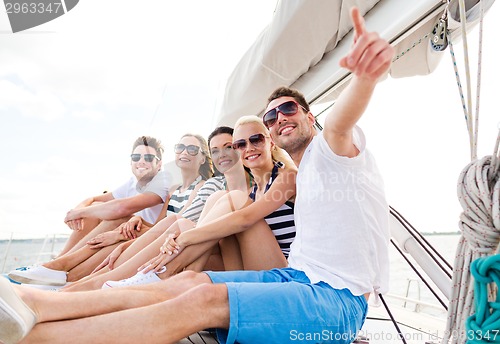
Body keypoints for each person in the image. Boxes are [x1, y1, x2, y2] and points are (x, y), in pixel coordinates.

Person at [0, 7, 392, 344]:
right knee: (187, 285)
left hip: (338, 305)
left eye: (288, 110)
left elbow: (340, 123)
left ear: (309, 116)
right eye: (271, 117)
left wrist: (366, 77)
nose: (279, 120)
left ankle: (33, 337)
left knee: (198, 301)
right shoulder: (298, 171)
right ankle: (37, 302)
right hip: (295, 279)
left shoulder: (333, 151)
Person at [64, 121, 296, 291]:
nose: (249, 148)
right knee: (188, 220)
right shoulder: (254, 188)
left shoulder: (287, 176)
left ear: (270, 141)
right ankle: (156, 281)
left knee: (224, 202)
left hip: (282, 273)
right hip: (247, 265)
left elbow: (245, 219)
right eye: (241, 144)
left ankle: (157, 277)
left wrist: (184, 238)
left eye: (256, 140)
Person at [7, 134, 210, 286]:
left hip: (155, 241)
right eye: (136, 156)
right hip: (143, 234)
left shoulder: (168, 181)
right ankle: (57, 267)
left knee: (117, 220)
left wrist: (86, 215)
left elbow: (127, 208)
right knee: (102, 213)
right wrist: (81, 208)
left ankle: (62, 274)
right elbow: (98, 201)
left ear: (159, 163)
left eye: (149, 158)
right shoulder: (172, 188)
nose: (141, 161)